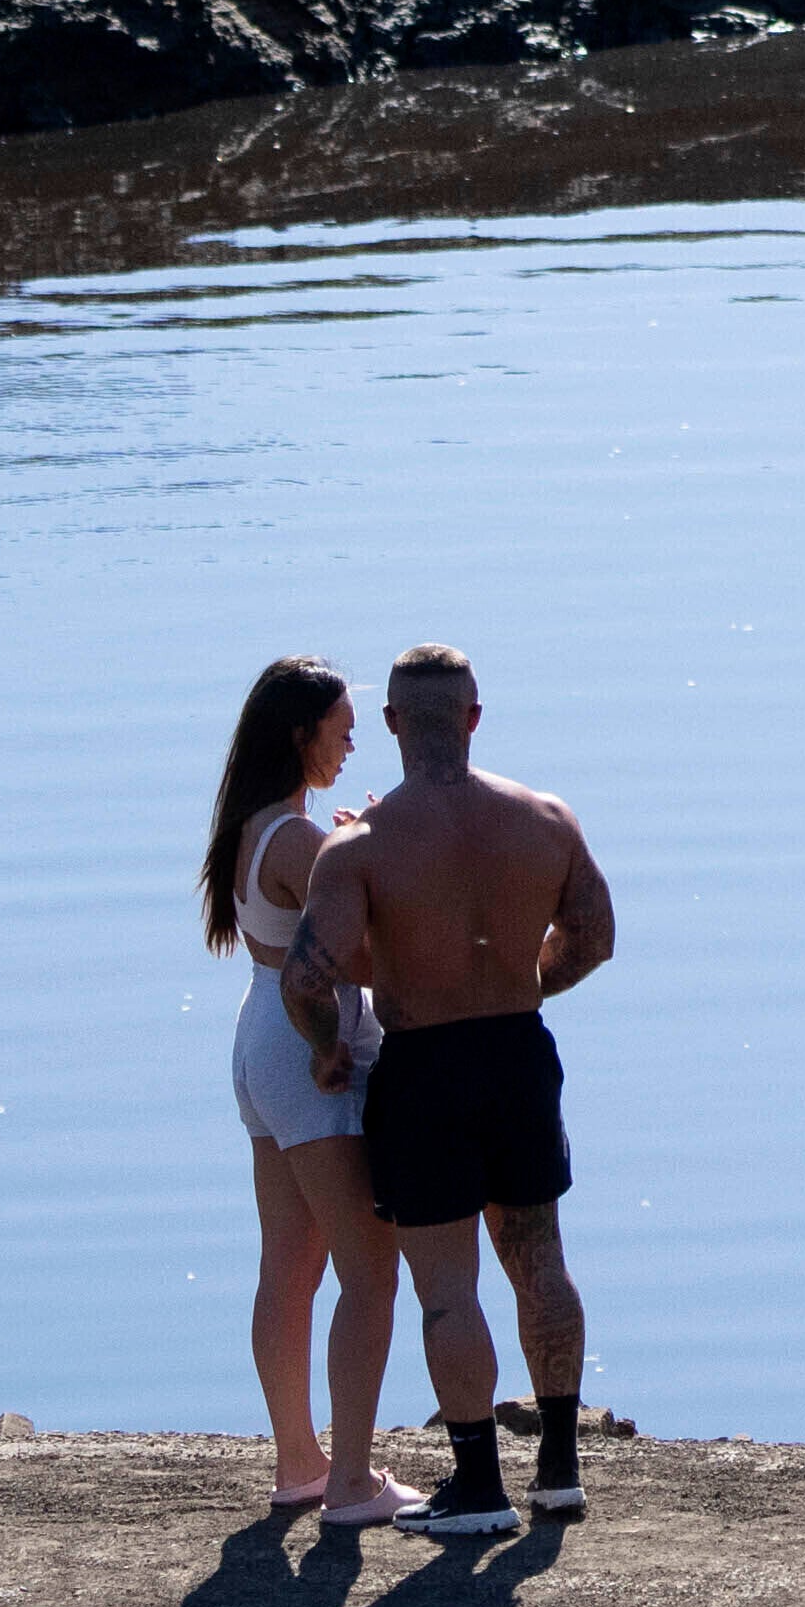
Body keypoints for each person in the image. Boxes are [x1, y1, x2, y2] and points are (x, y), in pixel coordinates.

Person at [288, 639, 618, 1533]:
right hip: (517, 1054)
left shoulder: (360, 848)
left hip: (425, 1066)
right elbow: (594, 935)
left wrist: (326, 1051)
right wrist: (525, 984)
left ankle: (478, 1487)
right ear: (474, 717)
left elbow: (307, 981)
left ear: (393, 725)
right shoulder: (546, 819)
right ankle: (558, 1470)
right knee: (540, 1262)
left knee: (448, 1289)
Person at [196, 657, 413, 1533]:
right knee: (370, 1271)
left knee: (288, 1268)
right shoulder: (294, 841)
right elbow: (376, 916)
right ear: (301, 733)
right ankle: (352, 1482)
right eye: (343, 725)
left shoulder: (259, 829)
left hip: (259, 1039)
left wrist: (349, 837)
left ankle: (301, 1463)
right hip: (305, 1049)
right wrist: (374, 835)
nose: (353, 739)